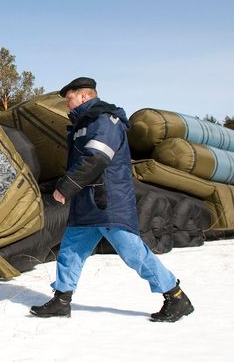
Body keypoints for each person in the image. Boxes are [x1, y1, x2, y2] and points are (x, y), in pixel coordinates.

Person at [29, 77, 194, 322]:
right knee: (71, 251)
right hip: (87, 202)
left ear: (85, 95)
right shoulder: (81, 124)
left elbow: (97, 158)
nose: (67, 104)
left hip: (107, 201)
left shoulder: (105, 120)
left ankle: (176, 296)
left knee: (133, 253)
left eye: (70, 98)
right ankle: (62, 300)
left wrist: (66, 186)